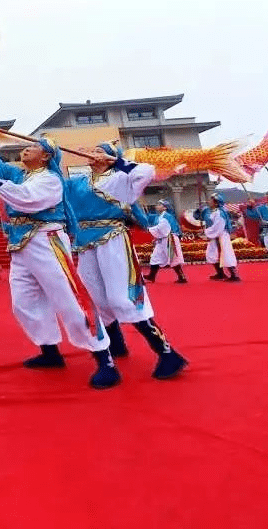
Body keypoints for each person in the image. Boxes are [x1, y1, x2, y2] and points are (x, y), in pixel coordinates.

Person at [0, 129, 120, 390]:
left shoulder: (51, 179)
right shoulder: (20, 175)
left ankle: (105, 359)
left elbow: (27, 199)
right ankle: (50, 352)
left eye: (34, 147)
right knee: (24, 302)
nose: (26, 149)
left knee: (70, 299)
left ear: (47, 156)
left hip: (46, 240)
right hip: (21, 243)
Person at [63, 144, 187, 380]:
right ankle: (115, 344)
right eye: (93, 150)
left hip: (113, 240)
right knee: (93, 297)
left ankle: (167, 352)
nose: (92, 154)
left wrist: (115, 160)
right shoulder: (79, 182)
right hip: (85, 243)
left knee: (123, 297)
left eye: (99, 151)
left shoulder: (122, 178)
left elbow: (147, 171)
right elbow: (56, 188)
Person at [194, 193, 241, 282]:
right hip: (213, 235)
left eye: (211, 200)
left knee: (226, 254)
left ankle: (234, 275)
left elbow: (218, 226)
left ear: (216, 203)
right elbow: (199, 218)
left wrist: (206, 232)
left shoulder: (220, 213)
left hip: (221, 235)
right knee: (212, 254)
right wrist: (198, 211)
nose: (209, 201)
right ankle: (220, 273)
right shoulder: (208, 210)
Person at [146, 200, 188, 284]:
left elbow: (162, 228)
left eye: (159, 204)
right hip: (164, 239)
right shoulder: (161, 216)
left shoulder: (166, 216)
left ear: (165, 207)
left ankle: (181, 276)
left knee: (173, 257)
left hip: (169, 238)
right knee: (156, 256)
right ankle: (152, 275)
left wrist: (150, 230)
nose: (157, 206)